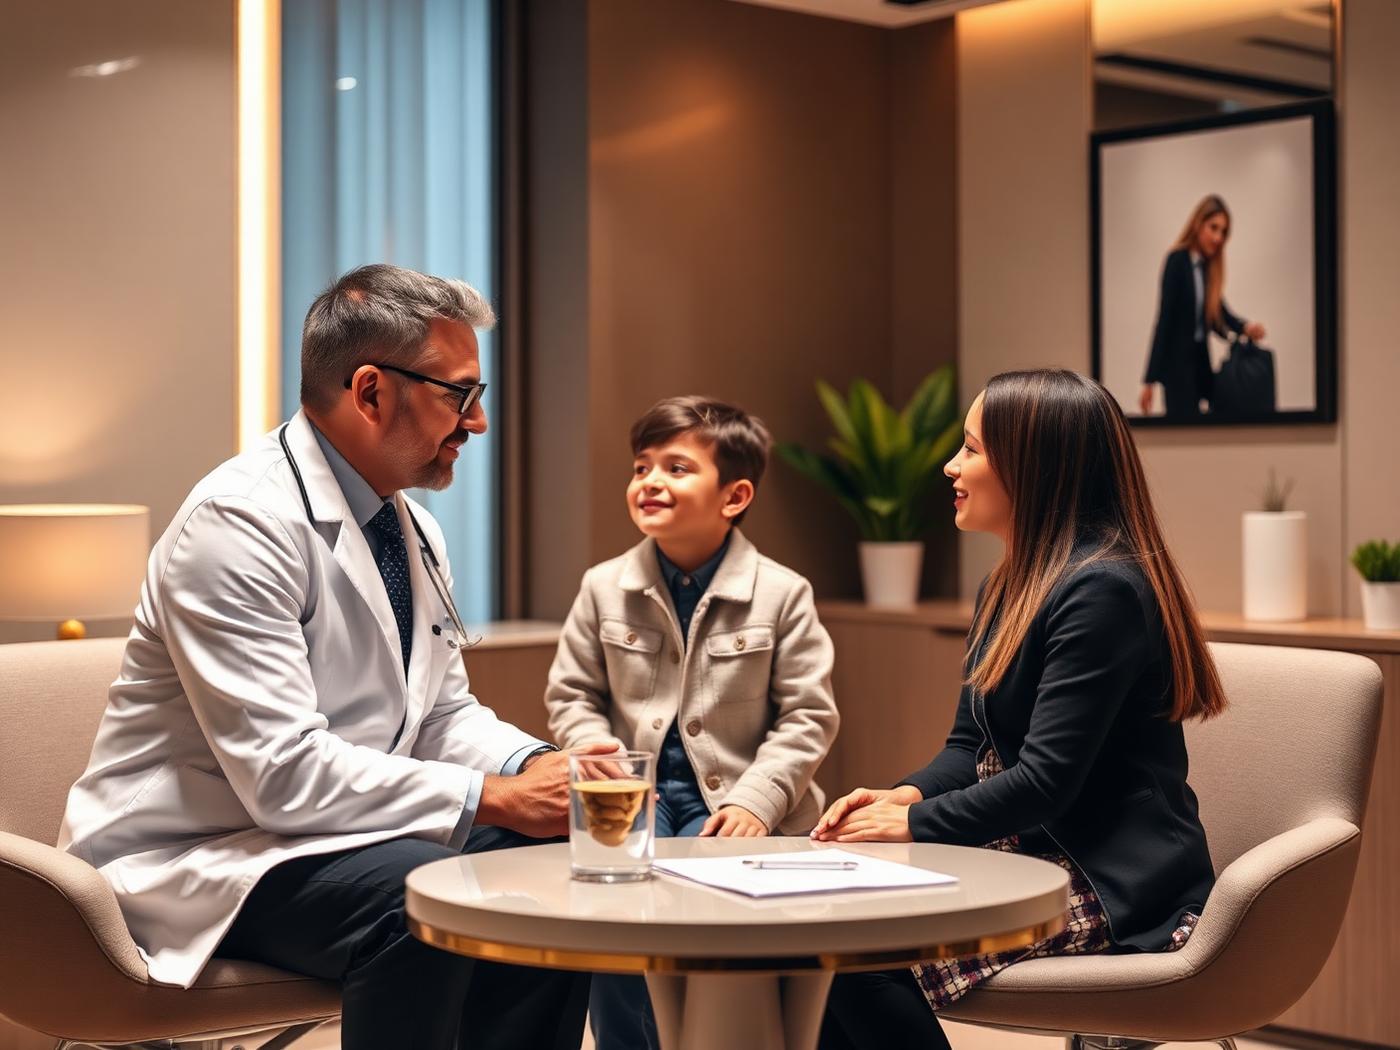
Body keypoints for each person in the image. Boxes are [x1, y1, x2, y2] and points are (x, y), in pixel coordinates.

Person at [58, 264, 609, 1050]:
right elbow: (283, 777)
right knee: (425, 897)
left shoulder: (410, 528)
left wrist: (544, 767)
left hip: (331, 833)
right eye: (460, 394)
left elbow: (442, 714)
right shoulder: (238, 524)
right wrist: (494, 797)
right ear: (372, 391)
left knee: (553, 855)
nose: (477, 422)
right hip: (203, 851)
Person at [813, 369, 1223, 1050]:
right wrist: (898, 796)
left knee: (853, 956)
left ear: (1035, 467)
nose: (951, 465)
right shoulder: (1007, 583)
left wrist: (910, 823)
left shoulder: (1102, 592)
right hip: (1036, 852)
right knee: (818, 930)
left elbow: (1044, 783)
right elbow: (968, 744)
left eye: (971, 449)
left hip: (1111, 883)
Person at [545, 395, 840, 1050]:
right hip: (631, 801)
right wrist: (590, 746)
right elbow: (572, 692)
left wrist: (757, 802)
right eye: (640, 467)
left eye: (676, 468)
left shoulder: (782, 591)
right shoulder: (602, 586)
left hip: (737, 803)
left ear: (734, 496)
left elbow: (808, 717)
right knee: (619, 947)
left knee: (726, 960)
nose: (649, 481)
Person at [1139, 194, 1267, 419]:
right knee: (1184, 433)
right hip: (1178, 369)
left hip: (1201, 362)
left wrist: (1246, 327)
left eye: (1223, 232)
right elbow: (1164, 321)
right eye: (1213, 228)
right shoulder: (1177, 261)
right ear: (1198, 224)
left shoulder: (1208, 269)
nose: (1218, 237)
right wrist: (1149, 381)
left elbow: (1219, 313)